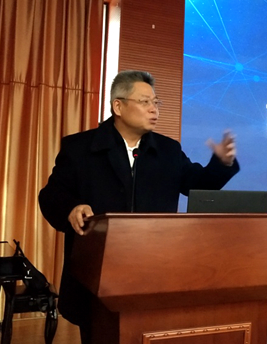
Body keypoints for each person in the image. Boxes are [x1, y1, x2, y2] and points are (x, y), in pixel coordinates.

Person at [39, 70, 239, 343]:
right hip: (98, 274)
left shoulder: (168, 150)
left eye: (156, 102)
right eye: (145, 102)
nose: (154, 109)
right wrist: (71, 208)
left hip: (155, 271)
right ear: (118, 106)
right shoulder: (80, 148)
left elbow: (198, 184)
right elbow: (51, 195)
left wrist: (221, 164)